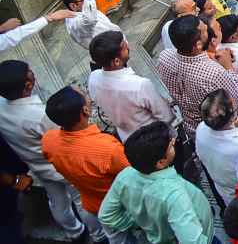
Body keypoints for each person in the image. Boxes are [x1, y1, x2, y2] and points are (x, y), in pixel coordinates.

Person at [0, 60, 88, 243]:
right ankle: (96, 233)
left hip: (37, 165)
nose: (33, 72)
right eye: (30, 71)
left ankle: (74, 232)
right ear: (27, 85)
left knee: (57, 200)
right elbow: (65, 136)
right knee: (81, 199)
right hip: (61, 165)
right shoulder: (38, 115)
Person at [41, 85, 131, 244]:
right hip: (121, 207)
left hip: (91, 203)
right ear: (85, 111)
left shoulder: (49, 140)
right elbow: (133, 175)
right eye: (85, 95)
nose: (88, 97)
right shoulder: (107, 148)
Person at [98, 121, 215, 243]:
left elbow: (106, 215)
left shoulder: (125, 176)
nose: (174, 142)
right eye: (170, 146)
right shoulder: (174, 195)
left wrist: (140, 223)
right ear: (160, 162)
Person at [156, 15, 238, 134]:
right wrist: (228, 67)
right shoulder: (214, 73)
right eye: (205, 30)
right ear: (198, 44)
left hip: (192, 127)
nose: (209, 30)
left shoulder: (164, 57)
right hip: (219, 130)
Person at [87, 30, 173, 142]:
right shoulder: (139, 85)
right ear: (116, 61)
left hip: (127, 137)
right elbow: (166, 116)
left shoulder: (93, 78)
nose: (128, 46)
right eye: (124, 47)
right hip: (157, 139)